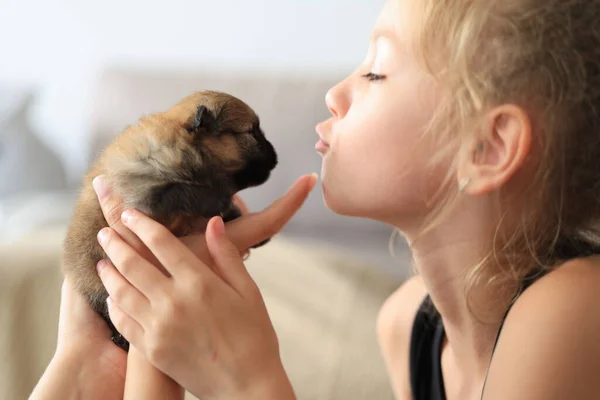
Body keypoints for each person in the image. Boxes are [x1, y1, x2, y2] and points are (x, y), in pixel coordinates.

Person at [31, 0, 600, 398]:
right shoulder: (407, 330)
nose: (335, 92)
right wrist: (115, 347)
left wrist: (247, 382)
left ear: (489, 146)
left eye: (376, 71)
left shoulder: (572, 309)